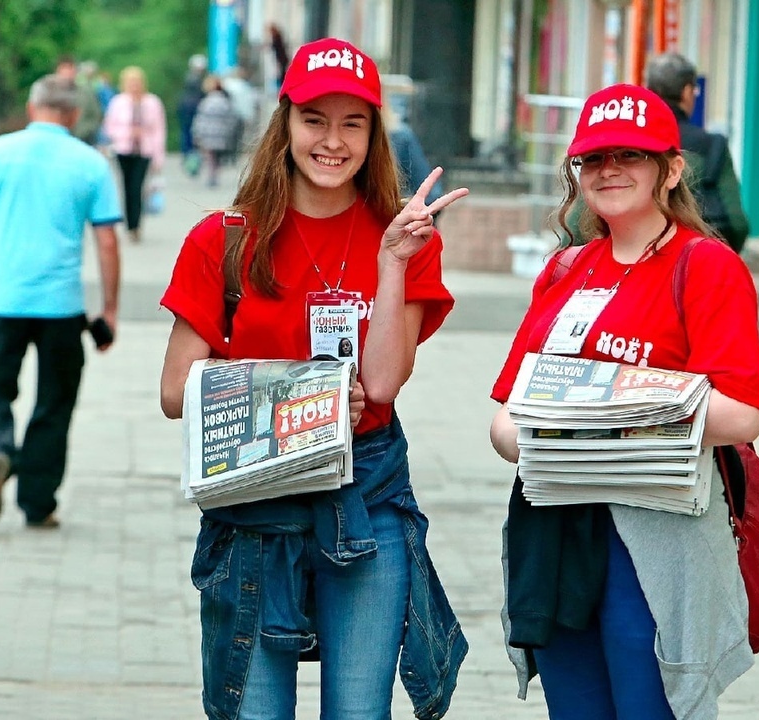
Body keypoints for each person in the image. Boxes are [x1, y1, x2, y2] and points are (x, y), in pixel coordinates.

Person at [157, 37, 469, 720]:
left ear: (374, 133)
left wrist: (391, 262)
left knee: (360, 712)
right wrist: (295, 397)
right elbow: (176, 390)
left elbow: (383, 383)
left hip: (367, 494)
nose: (333, 141)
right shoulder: (225, 237)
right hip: (252, 505)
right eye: (315, 120)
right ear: (285, 125)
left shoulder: (406, 237)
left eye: (352, 123)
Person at [487, 83, 759, 719]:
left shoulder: (706, 267)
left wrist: (611, 406)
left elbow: (745, 413)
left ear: (671, 170)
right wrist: (548, 424)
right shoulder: (566, 270)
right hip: (557, 533)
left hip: (653, 537)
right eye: (593, 157)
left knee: (652, 706)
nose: (609, 168)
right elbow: (505, 422)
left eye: (630, 154)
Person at [0, 74, 123, 529]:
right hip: (62, 309)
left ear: (32, 107)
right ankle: (38, 505)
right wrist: (110, 310)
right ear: (75, 115)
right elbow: (108, 243)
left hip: (1, 303)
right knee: (54, 405)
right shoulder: (90, 163)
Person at [646, 52, 750, 253]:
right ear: (686, 92)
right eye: (694, 90)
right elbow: (736, 223)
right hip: (699, 258)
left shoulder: (627, 145)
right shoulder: (712, 146)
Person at [102, 66, 166, 242]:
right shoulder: (118, 102)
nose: (134, 86)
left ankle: (136, 225)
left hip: (144, 150)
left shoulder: (152, 102)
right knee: (126, 187)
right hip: (123, 150)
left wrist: (158, 156)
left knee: (137, 187)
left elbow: (159, 130)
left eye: (137, 82)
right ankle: (129, 223)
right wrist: (127, 133)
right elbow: (110, 127)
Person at [190, 75, 240, 187]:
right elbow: (231, 119)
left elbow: (200, 119)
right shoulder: (225, 102)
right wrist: (229, 131)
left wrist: (196, 133)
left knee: (210, 156)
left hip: (208, 135)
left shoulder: (205, 102)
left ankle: (211, 175)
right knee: (218, 157)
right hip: (221, 135)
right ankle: (216, 174)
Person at [55, 55, 103, 146]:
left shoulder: (86, 92)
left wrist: (85, 131)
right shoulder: (51, 94)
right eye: (64, 70)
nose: (67, 74)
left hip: (83, 140)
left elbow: (96, 114)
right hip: (58, 140)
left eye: (70, 69)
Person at [178, 54, 209, 166]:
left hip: (185, 107)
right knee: (190, 132)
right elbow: (202, 93)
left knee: (186, 132)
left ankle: (187, 155)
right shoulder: (197, 80)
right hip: (192, 109)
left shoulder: (189, 77)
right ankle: (190, 155)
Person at [268, 23, 289, 88]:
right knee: (282, 73)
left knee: (282, 73)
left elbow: (275, 47)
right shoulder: (277, 37)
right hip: (281, 57)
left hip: (281, 57)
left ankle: (283, 86)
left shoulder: (276, 37)